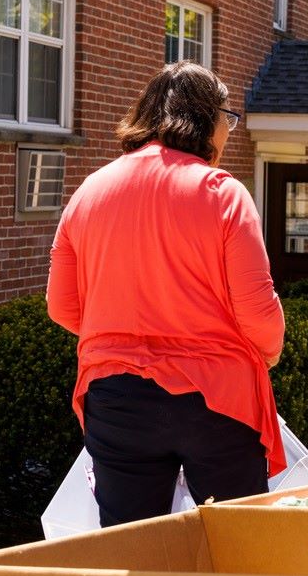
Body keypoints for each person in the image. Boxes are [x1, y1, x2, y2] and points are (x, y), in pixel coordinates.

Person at [47, 61, 285, 526]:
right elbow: (257, 309)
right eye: (227, 119)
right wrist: (268, 352)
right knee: (240, 545)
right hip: (216, 394)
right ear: (206, 120)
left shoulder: (90, 190)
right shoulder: (223, 193)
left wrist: (119, 335)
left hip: (115, 394)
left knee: (132, 549)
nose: (229, 132)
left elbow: (62, 305)